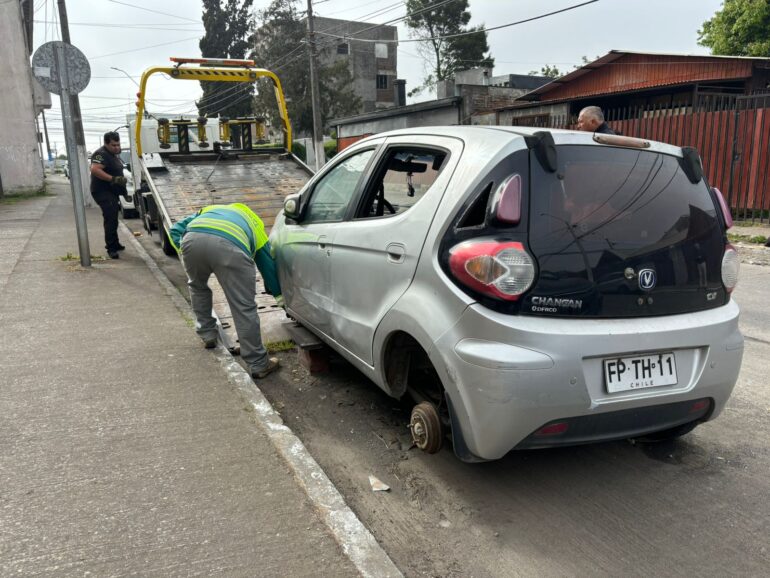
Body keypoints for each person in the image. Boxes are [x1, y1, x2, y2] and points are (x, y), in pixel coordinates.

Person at [169, 203, 281, 380]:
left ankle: (207, 335)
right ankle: (258, 363)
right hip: (230, 245)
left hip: (192, 239)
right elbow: (265, 261)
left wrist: (183, 249)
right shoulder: (253, 220)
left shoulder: (206, 210)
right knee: (243, 306)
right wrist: (280, 296)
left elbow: (175, 229)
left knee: (198, 288)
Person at [90, 131, 130, 259]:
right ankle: (111, 248)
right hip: (102, 192)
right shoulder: (101, 154)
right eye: (113, 145)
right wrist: (113, 179)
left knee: (114, 218)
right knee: (110, 219)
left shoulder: (113, 154)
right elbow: (95, 169)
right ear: (106, 144)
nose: (117, 147)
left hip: (112, 192)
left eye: (118, 144)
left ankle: (116, 243)